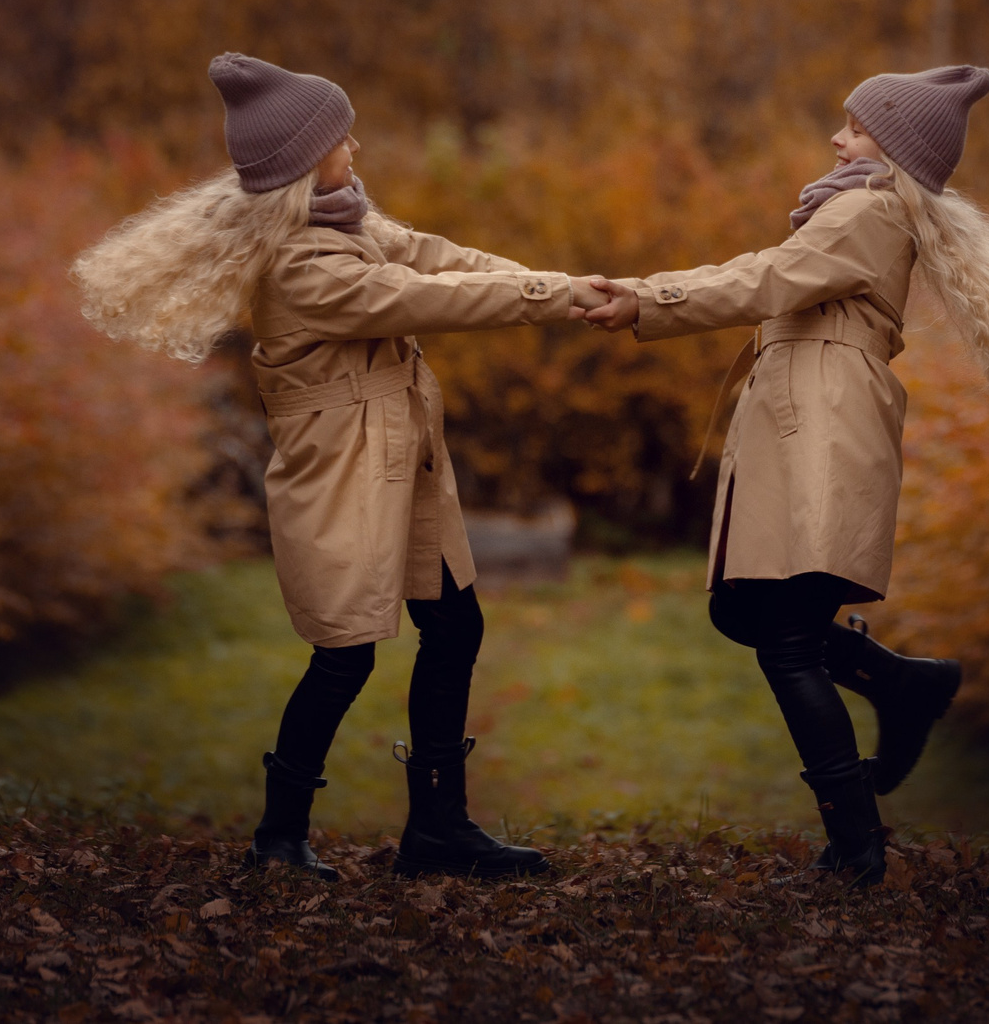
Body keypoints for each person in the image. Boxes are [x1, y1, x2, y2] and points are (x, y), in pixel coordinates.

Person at [73, 54, 608, 880]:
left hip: (401, 457)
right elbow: (427, 298)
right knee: (345, 653)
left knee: (455, 624)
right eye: (338, 135)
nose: (354, 143)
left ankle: (438, 828)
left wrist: (555, 282)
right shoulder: (303, 265)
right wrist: (559, 297)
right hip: (343, 472)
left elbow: (433, 255)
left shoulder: (344, 220)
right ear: (302, 159)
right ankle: (279, 837)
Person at [575, 65, 989, 887]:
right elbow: (770, 268)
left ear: (894, 145)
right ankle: (904, 686)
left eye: (855, 127)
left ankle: (856, 844)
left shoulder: (868, 209)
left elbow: (764, 279)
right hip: (811, 415)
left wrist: (644, 300)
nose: (838, 139)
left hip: (824, 422)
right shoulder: (859, 207)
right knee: (746, 613)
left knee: (786, 638)